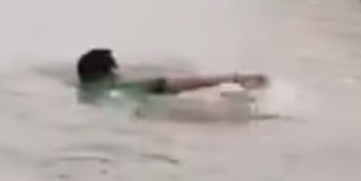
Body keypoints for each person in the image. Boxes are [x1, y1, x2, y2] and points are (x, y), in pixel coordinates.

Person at [76, 48, 267, 104]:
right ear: (111, 72)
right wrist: (236, 78)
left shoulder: (85, 93)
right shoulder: (124, 87)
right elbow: (180, 83)